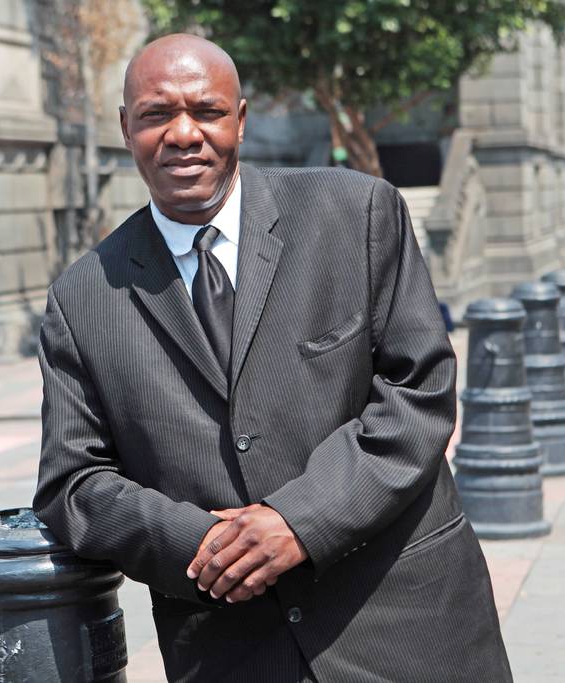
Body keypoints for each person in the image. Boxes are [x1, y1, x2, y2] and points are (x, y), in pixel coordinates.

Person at [33, 33, 511, 683]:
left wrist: (299, 521)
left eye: (206, 111)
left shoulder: (357, 214)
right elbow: (72, 483)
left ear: (241, 119)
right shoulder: (83, 298)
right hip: (233, 645)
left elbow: (419, 391)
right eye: (156, 114)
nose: (183, 134)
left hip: (405, 623)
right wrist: (204, 546)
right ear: (125, 128)